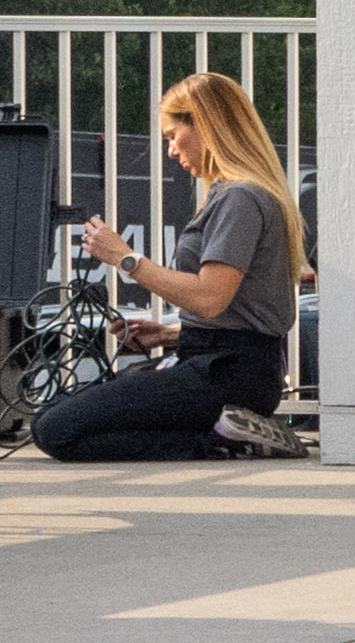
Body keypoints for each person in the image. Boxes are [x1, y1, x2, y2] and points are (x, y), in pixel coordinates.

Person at [28, 75, 310, 460]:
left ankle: (228, 441)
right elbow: (240, 312)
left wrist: (125, 259)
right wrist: (168, 334)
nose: (171, 149)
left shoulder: (241, 198)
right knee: (64, 414)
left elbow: (210, 298)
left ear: (207, 125)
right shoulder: (237, 194)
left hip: (227, 376)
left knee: (55, 430)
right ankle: (225, 432)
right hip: (227, 366)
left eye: (173, 135)